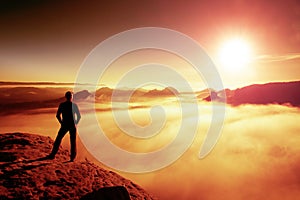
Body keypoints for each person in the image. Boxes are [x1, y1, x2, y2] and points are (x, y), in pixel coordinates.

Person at [47, 91, 81, 162]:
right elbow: (79, 116)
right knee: (73, 142)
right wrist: (75, 123)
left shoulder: (62, 105)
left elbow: (57, 115)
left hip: (64, 124)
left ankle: (53, 154)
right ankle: (72, 158)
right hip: (72, 125)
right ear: (71, 97)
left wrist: (61, 122)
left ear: (65, 97)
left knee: (58, 139)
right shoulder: (74, 105)